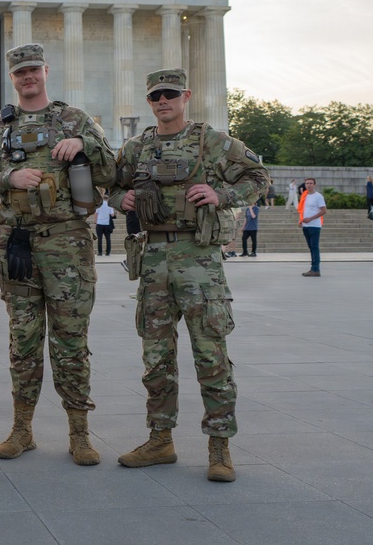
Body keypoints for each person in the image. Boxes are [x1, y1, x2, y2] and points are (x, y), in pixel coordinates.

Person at [110, 67, 269, 483]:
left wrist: (222, 194)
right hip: (153, 259)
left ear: (186, 96)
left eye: (170, 94)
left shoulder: (212, 142)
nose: (163, 101)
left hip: (200, 259)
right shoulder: (136, 147)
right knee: (156, 359)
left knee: (210, 354)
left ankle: (219, 447)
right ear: (149, 101)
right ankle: (160, 440)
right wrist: (120, 198)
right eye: (156, 95)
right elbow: (109, 186)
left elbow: (258, 177)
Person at [0, 43, 115, 466]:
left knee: (71, 340)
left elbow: (110, 172)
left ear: (46, 71)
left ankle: (79, 433)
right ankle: (22, 430)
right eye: (20, 72)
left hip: (68, 246)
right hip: (17, 247)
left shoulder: (75, 120)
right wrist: (9, 177)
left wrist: (83, 143)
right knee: (23, 341)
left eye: (33, 69)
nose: (27, 77)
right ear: (12, 77)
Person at [299, 177, 326, 276]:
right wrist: (300, 220)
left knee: (314, 247)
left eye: (310, 183)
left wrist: (310, 218)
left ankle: (315, 269)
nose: (309, 185)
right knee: (311, 247)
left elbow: (323, 211)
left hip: (314, 225)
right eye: (307, 183)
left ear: (314, 185)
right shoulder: (304, 196)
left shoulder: (318, 196)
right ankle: (313, 268)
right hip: (306, 225)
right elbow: (303, 210)